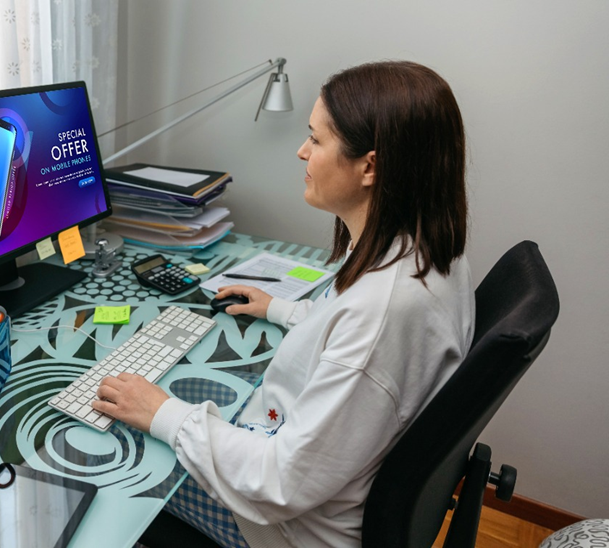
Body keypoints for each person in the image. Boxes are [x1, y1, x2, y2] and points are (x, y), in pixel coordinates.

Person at [91, 60, 475, 548]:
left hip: (283, 528)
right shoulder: (428, 251)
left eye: (315, 139)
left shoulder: (385, 311)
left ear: (370, 166)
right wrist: (281, 309)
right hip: (318, 478)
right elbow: (350, 343)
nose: (301, 151)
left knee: (110, 455)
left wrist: (161, 412)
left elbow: (279, 484)